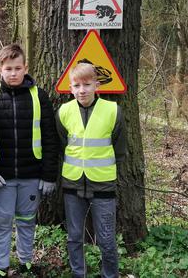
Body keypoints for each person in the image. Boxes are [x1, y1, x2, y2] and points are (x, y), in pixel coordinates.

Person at [0, 44, 59, 277]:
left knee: (27, 221)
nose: (14, 73)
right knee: (2, 222)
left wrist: (49, 175)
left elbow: (50, 137)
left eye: (18, 68)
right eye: (8, 68)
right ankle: (0, 265)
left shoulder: (39, 96)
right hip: (2, 177)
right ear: (0, 69)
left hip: (32, 175)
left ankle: (26, 261)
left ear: (26, 67)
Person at [56, 63, 127, 278]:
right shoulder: (63, 111)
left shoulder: (113, 110)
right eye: (77, 85)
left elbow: (120, 148)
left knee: (106, 239)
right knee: (74, 237)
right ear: (70, 88)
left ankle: (110, 275)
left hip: (103, 185)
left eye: (87, 84)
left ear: (97, 85)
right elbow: (61, 145)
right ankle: (79, 274)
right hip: (72, 185)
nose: (82, 90)